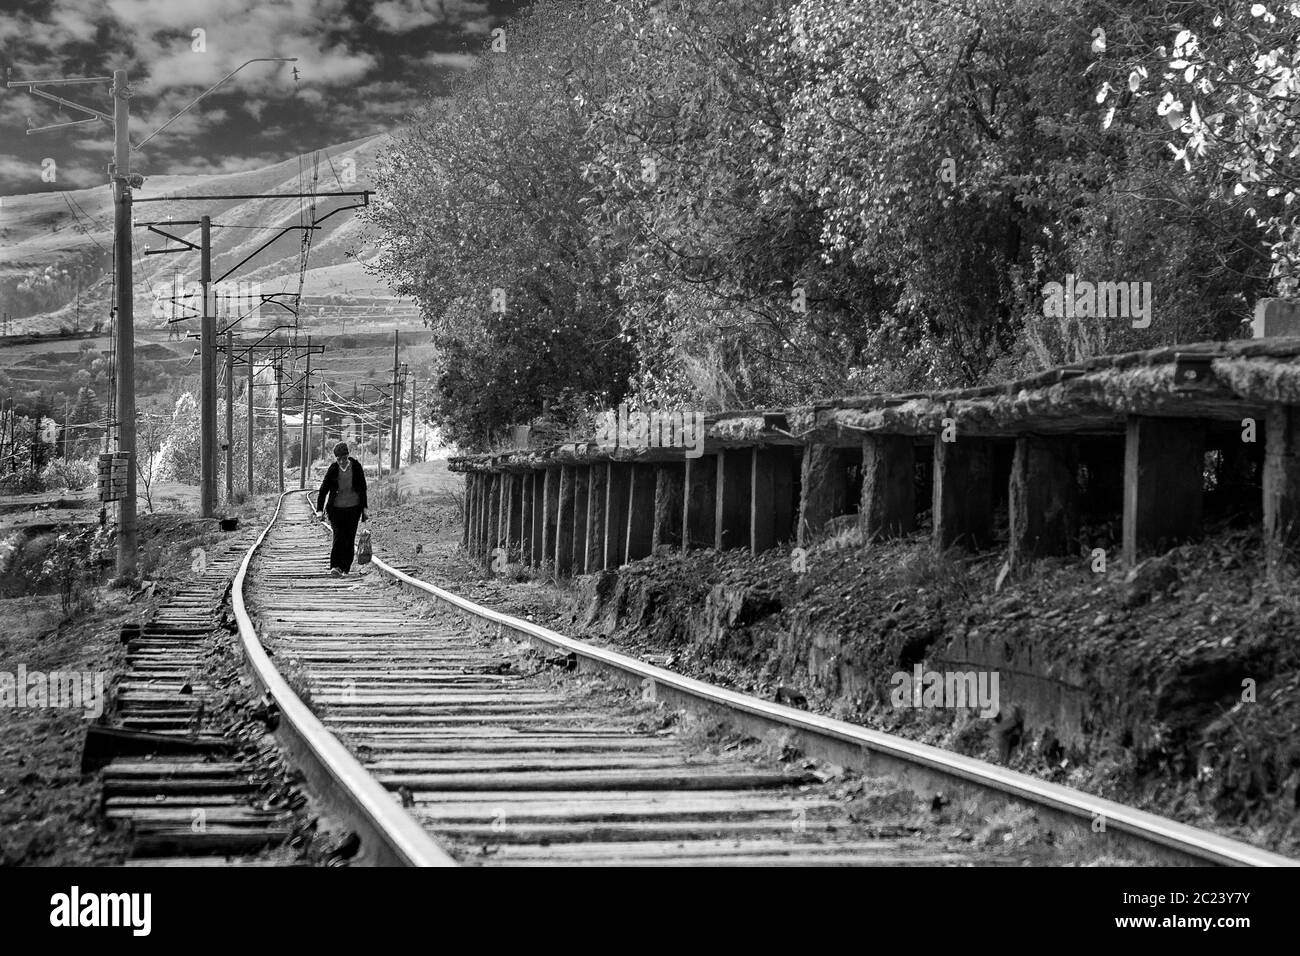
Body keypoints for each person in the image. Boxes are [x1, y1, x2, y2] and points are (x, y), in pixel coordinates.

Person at [315, 441, 369, 576]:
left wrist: (364, 509)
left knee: (349, 538)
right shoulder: (333, 468)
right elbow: (323, 489)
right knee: (338, 536)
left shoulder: (356, 467)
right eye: (338, 459)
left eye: (343, 458)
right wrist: (320, 510)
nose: (341, 461)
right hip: (336, 509)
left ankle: (345, 568)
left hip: (353, 508)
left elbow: (363, 488)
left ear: (347, 456)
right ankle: (335, 566)